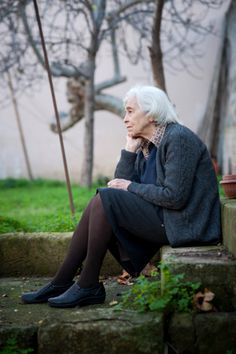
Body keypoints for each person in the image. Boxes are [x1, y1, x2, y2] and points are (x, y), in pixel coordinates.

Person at [21, 85, 221, 308]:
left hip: (187, 224)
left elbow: (174, 197)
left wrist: (129, 186)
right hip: (167, 218)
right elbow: (119, 188)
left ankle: (83, 284)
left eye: (130, 111)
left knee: (105, 199)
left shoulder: (178, 138)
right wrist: (128, 151)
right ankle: (65, 282)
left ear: (152, 114)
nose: (125, 118)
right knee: (103, 199)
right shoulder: (145, 146)